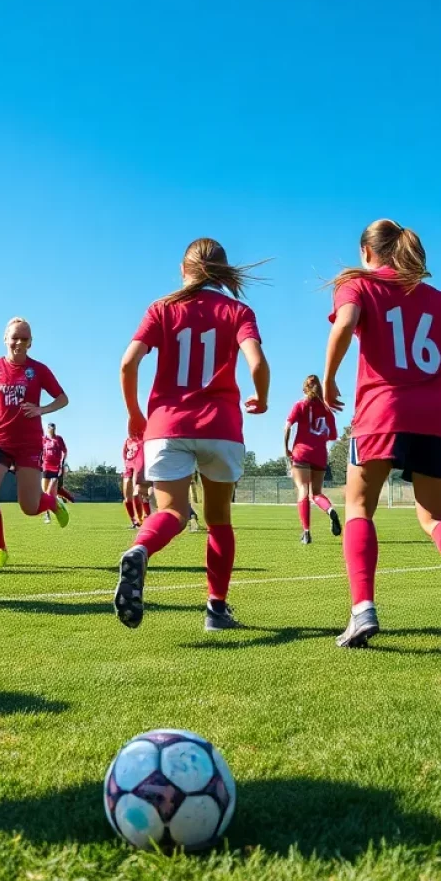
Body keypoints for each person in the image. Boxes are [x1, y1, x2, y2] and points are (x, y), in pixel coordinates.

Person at [324, 219, 441, 651]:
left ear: (368, 252)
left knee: (358, 510)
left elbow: (345, 323)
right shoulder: (440, 300)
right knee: (435, 518)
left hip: (380, 414)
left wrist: (330, 377)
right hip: (436, 418)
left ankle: (362, 610)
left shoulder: (359, 285)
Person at [115, 237, 269, 632]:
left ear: (183, 270)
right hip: (220, 427)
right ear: (223, 271)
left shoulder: (162, 308)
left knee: (171, 512)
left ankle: (140, 548)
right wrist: (261, 397)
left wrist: (135, 414)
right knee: (219, 521)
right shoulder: (238, 310)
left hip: (167, 426)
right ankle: (216, 611)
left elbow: (128, 363)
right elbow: (257, 362)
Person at [0, 317, 70, 569]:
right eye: (15, 337)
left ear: (31, 342)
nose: (19, 343)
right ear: (5, 339)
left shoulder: (39, 370)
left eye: (24, 338)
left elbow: (63, 398)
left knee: (29, 507)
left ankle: (51, 502)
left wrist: (41, 409)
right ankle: (0, 550)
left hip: (28, 443)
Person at [285, 374, 341, 544]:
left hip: (301, 453)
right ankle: (330, 510)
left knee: (302, 489)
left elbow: (287, 426)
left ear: (305, 389)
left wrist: (285, 447)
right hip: (320, 455)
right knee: (316, 493)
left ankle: (307, 532)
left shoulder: (300, 405)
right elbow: (332, 435)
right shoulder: (327, 410)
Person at [40, 423, 68, 524]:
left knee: (52, 493)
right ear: (47, 429)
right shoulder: (44, 439)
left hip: (56, 468)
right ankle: (46, 515)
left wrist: (63, 463)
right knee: (44, 492)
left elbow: (65, 451)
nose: (52, 429)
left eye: (53, 428)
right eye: (50, 428)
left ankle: (58, 510)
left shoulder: (59, 439)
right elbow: (39, 451)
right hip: (45, 467)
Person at [121, 434, 143, 528]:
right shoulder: (128, 440)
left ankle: (141, 520)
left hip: (139, 468)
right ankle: (133, 521)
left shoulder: (143, 438)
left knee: (136, 495)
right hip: (129, 468)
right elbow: (124, 454)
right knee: (127, 498)